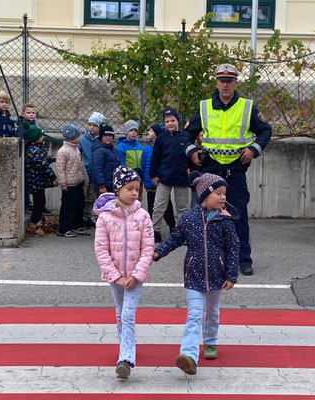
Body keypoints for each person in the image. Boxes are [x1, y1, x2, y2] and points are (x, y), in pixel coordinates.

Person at [184, 63, 272, 276]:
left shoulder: (247, 107)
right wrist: (191, 151)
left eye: (229, 81)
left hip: (235, 170)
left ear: (235, 83)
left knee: (238, 216)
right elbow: (186, 134)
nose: (225, 85)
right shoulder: (204, 107)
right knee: (207, 216)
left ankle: (243, 260)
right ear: (217, 83)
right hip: (211, 169)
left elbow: (265, 131)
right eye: (222, 81)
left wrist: (254, 149)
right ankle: (206, 258)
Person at [153, 171, 239, 375]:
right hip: (193, 275)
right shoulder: (189, 218)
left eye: (224, 193)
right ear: (204, 195)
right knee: (194, 314)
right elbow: (175, 239)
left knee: (212, 312)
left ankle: (210, 342)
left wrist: (231, 275)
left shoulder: (225, 221)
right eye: (218, 193)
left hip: (217, 275)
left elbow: (233, 248)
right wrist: (159, 252)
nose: (223, 197)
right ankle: (189, 355)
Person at [94, 165, 154, 379]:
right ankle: (125, 345)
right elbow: (101, 249)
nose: (134, 193)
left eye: (137, 189)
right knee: (120, 312)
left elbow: (148, 248)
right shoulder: (105, 218)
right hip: (116, 276)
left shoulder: (143, 216)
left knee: (128, 314)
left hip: (136, 276)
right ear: (118, 189)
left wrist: (137, 275)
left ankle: (126, 358)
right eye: (130, 189)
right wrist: (115, 276)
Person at [149, 109, 190, 243]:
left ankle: (182, 233)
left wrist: (193, 175)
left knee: (182, 208)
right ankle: (155, 231)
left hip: (181, 178)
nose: (170, 123)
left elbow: (191, 158)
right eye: (167, 121)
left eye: (173, 120)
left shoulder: (185, 137)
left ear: (178, 121)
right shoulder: (161, 139)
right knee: (158, 206)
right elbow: (155, 158)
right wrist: (152, 175)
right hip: (164, 178)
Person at [141, 124, 176, 233]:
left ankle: (172, 226)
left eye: (151, 131)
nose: (148, 132)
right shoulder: (146, 149)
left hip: (161, 182)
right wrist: (146, 178)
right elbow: (143, 165)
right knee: (152, 208)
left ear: (157, 134)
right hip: (150, 183)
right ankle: (153, 231)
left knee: (166, 207)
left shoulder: (164, 147)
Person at [56, 124, 89, 238]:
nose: (79, 138)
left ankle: (77, 224)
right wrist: (63, 183)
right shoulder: (63, 151)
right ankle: (64, 228)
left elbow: (81, 165)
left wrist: (84, 178)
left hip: (78, 181)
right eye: (77, 136)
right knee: (68, 206)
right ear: (72, 137)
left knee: (79, 204)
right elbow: (60, 169)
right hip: (69, 184)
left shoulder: (76, 149)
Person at [24, 121, 58, 227]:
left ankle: (36, 220)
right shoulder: (34, 151)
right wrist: (53, 178)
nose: (43, 137)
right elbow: (43, 166)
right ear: (36, 138)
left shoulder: (37, 148)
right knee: (39, 202)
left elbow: (44, 160)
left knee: (41, 201)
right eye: (41, 136)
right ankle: (34, 221)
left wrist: (52, 159)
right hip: (35, 181)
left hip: (37, 180)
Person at [79, 111, 105, 228]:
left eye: (94, 125)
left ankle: (87, 216)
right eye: (89, 124)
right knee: (83, 196)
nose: (91, 127)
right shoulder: (83, 140)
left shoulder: (102, 140)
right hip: (86, 172)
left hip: (97, 173)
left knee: (92, 197)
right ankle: (81, 217)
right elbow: (78, 153)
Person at [116, 119, 144, 200]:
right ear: (126, 132)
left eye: (135, 130)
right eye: (131, 130)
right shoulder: (121, 146)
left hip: (139, 176)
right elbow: (121, 163)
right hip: (128, 177)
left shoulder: (139, 145)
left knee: (138, 197)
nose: (133, 132)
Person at [91, 123, 119, 197]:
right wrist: (101, 185)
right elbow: (97, 169)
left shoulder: (113, 149)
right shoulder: (98, 151)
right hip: (103, 186)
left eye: (110, 135)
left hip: (111, 184)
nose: (108, 137)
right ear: (101, 137)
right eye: (105, 135)